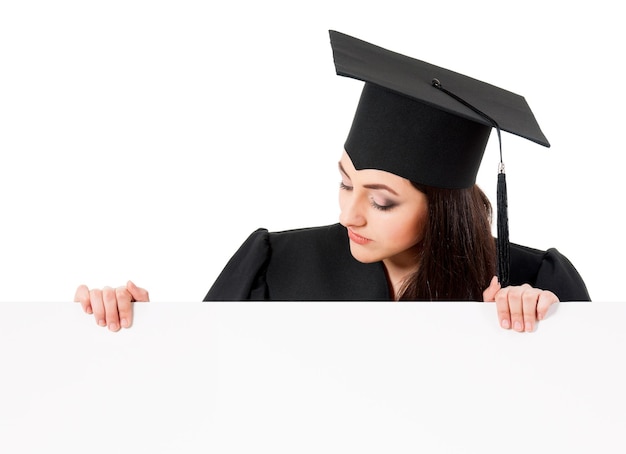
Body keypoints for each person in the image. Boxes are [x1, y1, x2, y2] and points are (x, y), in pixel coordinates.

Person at [74, 30, 590, 333]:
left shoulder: (532, 283)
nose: (350, 215)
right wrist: (132, 329)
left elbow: (595, 423)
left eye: (382, 201)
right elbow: (195, 390)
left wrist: (545, 336)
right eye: (346, 183)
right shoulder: (276, 266)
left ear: (442, 209)